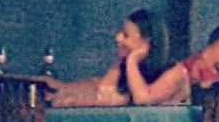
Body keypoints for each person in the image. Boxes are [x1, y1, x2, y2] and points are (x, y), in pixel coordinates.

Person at [53, 9, 190, 107]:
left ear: (146, 42)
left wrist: (132, 60)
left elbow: (142, 99)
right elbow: (103, 90)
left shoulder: (176, 72)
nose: (118, 38)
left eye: (125, 35)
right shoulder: (124, 64)